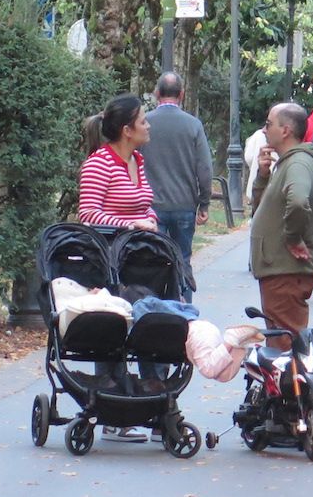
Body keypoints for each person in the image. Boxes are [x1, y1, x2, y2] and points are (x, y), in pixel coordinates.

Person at [78, 93, 157, 443]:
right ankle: (113, 412)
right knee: (113, 328)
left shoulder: (137, 160)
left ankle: (153, 402)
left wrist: (149, 222)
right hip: (107, 258)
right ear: (127, 130)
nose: (148, 126)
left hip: (138, 259)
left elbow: (145, 204)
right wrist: (132, 226)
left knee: (151, 321)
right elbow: (89, 215)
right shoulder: (99, 163)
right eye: (143, 121)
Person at [250, 103, 313, 348]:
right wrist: (263, 176)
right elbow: (264, 208)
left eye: (269, 124)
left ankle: (294, 387)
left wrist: (292, 238)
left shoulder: (298, 164)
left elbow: (299, 202)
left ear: (286, 130)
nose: (264, 129)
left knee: (286, 345)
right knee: (282, 338)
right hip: (279, 268)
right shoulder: (288, 163)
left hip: (286, 269)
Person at [141, 72, 213, 303]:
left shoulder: (144, 125)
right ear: (182, 94)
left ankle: (156, 310)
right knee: (182, 259)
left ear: (156, 93)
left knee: (153, 261)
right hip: (184, 204)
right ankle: (184, 312)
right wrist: (204, 202)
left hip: (151, 207)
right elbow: (204, 167)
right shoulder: (193, 125)